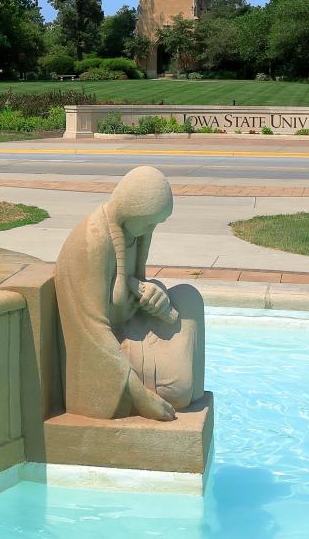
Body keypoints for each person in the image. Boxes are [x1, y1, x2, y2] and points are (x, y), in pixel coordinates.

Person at [54, 166, 205, 421]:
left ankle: (187, 391)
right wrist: (141, 398)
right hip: (105, 354)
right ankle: (175, 391)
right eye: (149, 220)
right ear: (131, 208)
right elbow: (91, 332)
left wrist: (154, 293)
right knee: (180, 389)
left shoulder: (132, 232)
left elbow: (127, 284)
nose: (152, 227)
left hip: (130, 323)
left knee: (190, 298)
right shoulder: (95, 241)